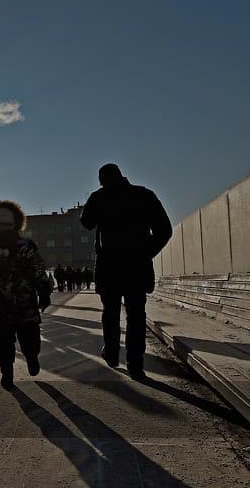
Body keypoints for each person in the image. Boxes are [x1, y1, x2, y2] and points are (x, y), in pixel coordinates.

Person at [80, 163, 172, 380]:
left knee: (110, 313)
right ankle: (135, 364)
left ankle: (112, 354)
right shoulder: (144, 195)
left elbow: (86, 222)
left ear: (102, 180)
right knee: (136, 315)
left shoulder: (99, 197)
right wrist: (147, 252)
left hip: (109, 267)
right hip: (137, 266)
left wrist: (95, 200)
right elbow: (164, 230)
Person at [0, 201, 52, 389]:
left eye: (6, 225)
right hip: (0, 305)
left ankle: (31, 357)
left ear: (15, 224)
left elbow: (38, 269)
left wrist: (43, 291)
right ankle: (6, 372)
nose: (2, 229)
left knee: (30, 339)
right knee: (3, 344)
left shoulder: (26, 246)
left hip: (26, 304)